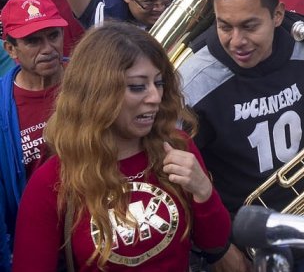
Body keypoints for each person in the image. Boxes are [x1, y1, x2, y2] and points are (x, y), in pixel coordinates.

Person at [11, 23, 231, 271]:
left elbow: (215, 243)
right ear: (97, 93)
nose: (155, 97)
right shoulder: (52, 181)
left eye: (158, 83)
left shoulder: (177, 146)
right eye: (137, 87)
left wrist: (203, 190)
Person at [178, 0, 304, 271]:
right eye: (225, 26)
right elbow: (183, 178)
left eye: (250, 26)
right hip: (243, 242)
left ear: (278, 15)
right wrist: (219, 248)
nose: (237, 41)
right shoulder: (193, 78)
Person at [0, 0, 67, 271]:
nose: (48, 47)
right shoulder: (4, 105)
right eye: (33, 41)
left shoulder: (89, 83)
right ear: (10, 49)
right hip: (37, 237)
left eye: (53, 35)